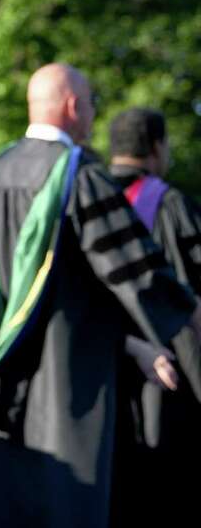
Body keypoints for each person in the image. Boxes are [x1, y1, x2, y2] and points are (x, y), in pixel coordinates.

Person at [0, 63, 201, 528]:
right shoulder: (77, 176)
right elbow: (135, 272)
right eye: (89, 104)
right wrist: (186, 313)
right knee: (65, 505)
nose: (91, 116)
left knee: (3, 502)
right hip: (65, 378)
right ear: (72, 107)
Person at [107, 107, 201, 524]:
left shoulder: (93, 197)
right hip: (174, 379)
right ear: (156, 147)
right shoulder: (171, 205)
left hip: (110, 369)